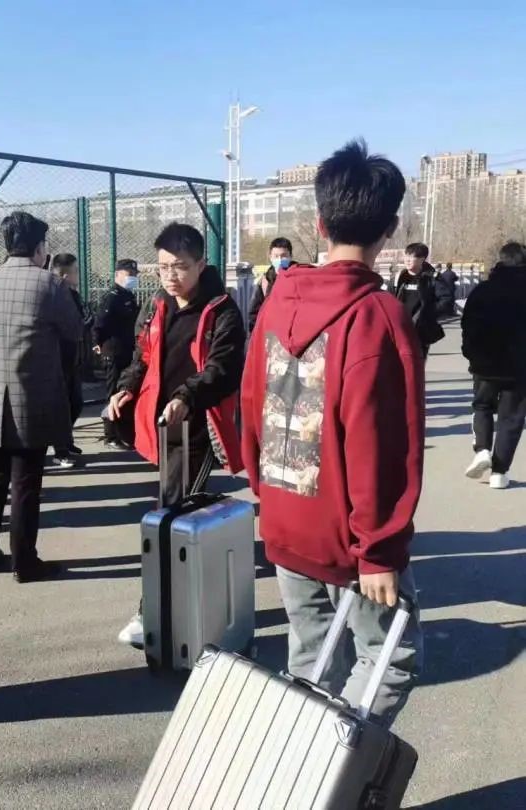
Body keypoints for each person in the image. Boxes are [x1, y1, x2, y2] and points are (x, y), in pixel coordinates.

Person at [241, 140, 425, 728]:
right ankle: (335, 769)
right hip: (348, 532)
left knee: (311, 657)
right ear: (390, 229)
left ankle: (299, 763)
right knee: (390, 658)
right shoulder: (378, 314)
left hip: (285, 513)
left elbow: (252, 404)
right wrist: (380, 550)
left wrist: (265, 492)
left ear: (319, 223)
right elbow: (380, 443)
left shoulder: (276, 303)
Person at [109, 223, 245, 647]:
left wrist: (187, 396)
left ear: (201, 264)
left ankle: (151, 611)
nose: (170, 276)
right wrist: (126, 387)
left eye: (180, 267)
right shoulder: (157, 305)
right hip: (163, 426)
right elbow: (142, 356)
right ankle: (180, 607)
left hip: (199, 430)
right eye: (163, 267)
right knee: (176, 517)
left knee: (170, 517)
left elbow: (222, 369)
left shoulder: (222, 310)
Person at [0, 211, 81, 583]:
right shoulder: (51, 285)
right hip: (34, 397)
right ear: (40, 248)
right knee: (26, 483)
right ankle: (25, 562)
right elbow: (73, 335)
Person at [461, 241, 526, 489]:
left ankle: (482, 450)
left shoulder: (483, 290)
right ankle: (500, 472)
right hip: (520, 367)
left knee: (482, 405)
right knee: (512, 418)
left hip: (485, 363)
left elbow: (468, 324)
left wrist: (470, 354)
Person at [93, 259, 141, 449]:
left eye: (135, 274)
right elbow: (100, 323)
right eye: (129, 274)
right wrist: (97, 343)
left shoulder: (128, 295)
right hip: (113, 351)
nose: (133, 278)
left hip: (126, 350)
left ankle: (123, 432)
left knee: (124, 391)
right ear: (117, 275)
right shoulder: (112, 297)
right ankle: (110, 435)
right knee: (112, 392)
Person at [50, 253, 91, 467]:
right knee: (62, 406)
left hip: (72, 358)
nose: (78, 275)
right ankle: (60, 449)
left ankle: (66, 440)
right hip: (58, 358)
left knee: (75, 402)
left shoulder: (73, 294)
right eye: (75, 271)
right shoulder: (55, 295)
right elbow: (70, 326)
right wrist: (84, 323)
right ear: (65, 275)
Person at [392, 242, 443, 358]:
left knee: (416, 363)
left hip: (420, 331)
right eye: (406, 256)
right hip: (399, 329)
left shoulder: (432, 278)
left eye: (412, 257)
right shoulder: (399, 278)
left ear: (422, 259)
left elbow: (445, 300)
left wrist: (429, 315)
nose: (407, 260)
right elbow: (389, 299)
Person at [247, 237, 296, 332]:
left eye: (284, 256)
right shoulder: (265, 282)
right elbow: (254, 313)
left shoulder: (300, 277)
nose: (280, 259)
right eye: (276, 256)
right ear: (270, 257)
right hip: (272, 334)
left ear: (291, 256)